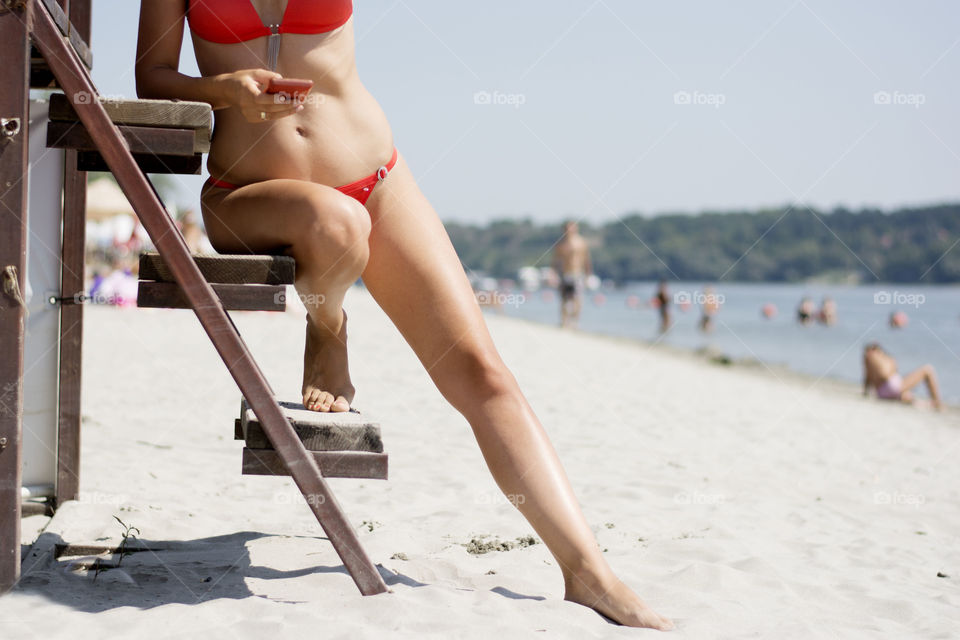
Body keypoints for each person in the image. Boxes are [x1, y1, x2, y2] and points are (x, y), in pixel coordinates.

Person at [135, 2, 671, 630]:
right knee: (338, 225)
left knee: (483, 373)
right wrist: (221, 90)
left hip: (377, 176)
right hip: (246, 197)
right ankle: (328, 321)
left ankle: (588, 574)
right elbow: (154, 80)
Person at [862, 343, 943, 410]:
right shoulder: (881, 357)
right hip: (892, 387)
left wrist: (865, 392)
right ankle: (937, 403)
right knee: (927, 370)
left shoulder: (868, 358)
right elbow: (885, 374)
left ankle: (913, 400)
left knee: (906, 395)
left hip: (881, 393)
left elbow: (867, 377)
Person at [551, 220, 592, 329]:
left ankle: (574, 322)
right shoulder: (561, 245)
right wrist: (553, 274)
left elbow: (586, 260)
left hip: (578, 274)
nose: (570, 230)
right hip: (565, 274)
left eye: (572, 228)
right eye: (567, 228)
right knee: (564, 300)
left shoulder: (581, 242)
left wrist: (588, 276)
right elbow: (555, 261)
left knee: (577, 300)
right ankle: (564, 322)